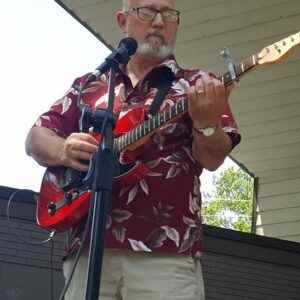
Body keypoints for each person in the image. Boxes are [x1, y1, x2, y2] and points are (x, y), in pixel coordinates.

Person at [25, 0, 241, 299]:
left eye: (168, 14)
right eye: (147, 11)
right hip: (89, 251)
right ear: (122, 19)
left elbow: (213, 158)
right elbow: (35, 137)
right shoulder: (90, 85)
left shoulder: (197, 85)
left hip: (166, 254)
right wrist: (63, 150)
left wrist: (206, 124)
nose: (158, 22)